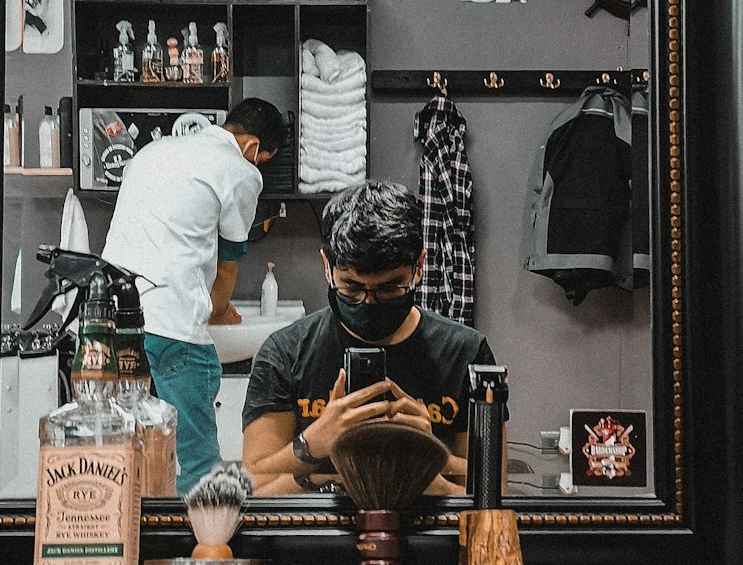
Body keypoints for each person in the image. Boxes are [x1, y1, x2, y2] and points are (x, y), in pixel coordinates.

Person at [241, 179, 500, 496]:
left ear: (418, 267)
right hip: (312, 537)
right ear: (327, 267)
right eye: (352, 287)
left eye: (389, 288)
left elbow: (492, 492)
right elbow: (252, 485)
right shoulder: (285, 354)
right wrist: (314, 445)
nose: (369, 302)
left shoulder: (466, 354)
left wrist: (430, 457)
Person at [101, 96, 285, 493]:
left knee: (122, 457)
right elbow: (229, 263)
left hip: (110, 319)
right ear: (253, 147)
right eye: (262, 159)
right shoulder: (241, 170)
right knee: (197, 466)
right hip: (173, 325)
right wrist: (218, 309)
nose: (258, 168)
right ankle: (201, 548)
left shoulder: (154, 151)